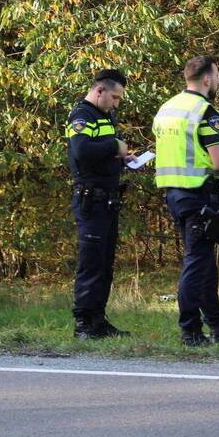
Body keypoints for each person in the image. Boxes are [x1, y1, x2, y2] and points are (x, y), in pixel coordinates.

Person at [153, 56, 219, 346]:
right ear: (206, 79)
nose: (218, 81)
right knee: (196, 264)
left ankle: (217, 328)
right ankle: (190, 330)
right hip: (198, 196)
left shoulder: (167, 108)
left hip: (174, 195)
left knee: (204, 264)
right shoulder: (205, 112)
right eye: (217, 76)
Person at [66, 69, 138, 340]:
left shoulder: (105, 115)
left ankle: (98, 320)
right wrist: (115, 148)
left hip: (108, 199)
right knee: (91, 263)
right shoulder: (81, 115)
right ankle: (83, 324)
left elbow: (105, 151)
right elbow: (82, 151)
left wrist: (123, 159)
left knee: (106, 263)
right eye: (115, 97)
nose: (116, 103)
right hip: (90, 199)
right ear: (99, 90)